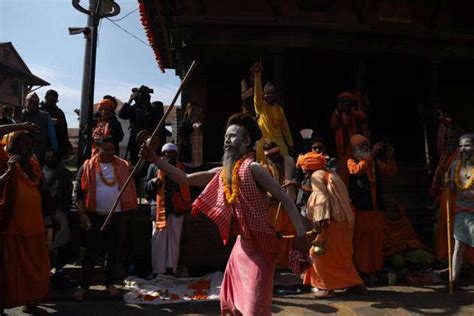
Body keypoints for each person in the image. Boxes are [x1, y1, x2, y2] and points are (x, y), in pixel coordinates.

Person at [140, 113, 306, 315]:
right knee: (233, 304)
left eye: (233, 136)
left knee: (255, 307)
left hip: (262, 246)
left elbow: (285, 199)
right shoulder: (223, 172)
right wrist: (155, 159)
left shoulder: (254, 168)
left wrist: (300, 235)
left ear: (246, 142)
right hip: (241, 247)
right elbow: (184, 178)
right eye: (226, 136)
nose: (227, 140)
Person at [73, 137, 138, 301]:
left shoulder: (123, 165)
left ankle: (110, 283)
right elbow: (77, 192)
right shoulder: (87, 166)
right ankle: (84, 286)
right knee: (91, 253)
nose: (110, 153)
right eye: (106, 149)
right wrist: (82, 213)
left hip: (116, 216)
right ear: (98, 149)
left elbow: (136, 175)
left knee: (114, 251)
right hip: (94, 216)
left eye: (112, 149)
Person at [297, 152, 366, 298]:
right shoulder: (331, 173)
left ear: (309, 167)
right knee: (342, 255)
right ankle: (355, 285)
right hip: (344, 220)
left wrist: (320, 221)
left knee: (319, 254)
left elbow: (321, 198)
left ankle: (327, 288)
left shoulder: (316, 176)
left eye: (304, 167)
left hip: (330, 222)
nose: (303, 170)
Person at [0, 130, 50, 315]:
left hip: (35, 225)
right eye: (22, 142)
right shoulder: (6, 158)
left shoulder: (33, 162)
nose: (26, 147)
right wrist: (20, 124)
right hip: (12, 226)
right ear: (13, 143)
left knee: (34, 267)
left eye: (29, 143)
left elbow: (42, 191)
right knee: (10, 269)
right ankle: (3, 304)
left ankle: (31, 301)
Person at [347, 134, 397, 282]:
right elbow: (356, 171)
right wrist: (371, 156)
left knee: (376, 241)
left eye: (366, 145)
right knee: (362, 241)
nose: (365, 148)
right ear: (355, 149)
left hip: (376, 209)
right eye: (361, 146)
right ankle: (362, 271)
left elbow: (390, 172)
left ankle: (375, 270)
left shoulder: (373, 161)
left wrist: (389, 157)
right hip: (362, 209)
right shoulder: (351, 160)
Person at [145, 143, 191, 276]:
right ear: (162, 154)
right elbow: (146, 187)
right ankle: (157, 270)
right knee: (158, 240)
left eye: (172, 153)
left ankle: (172, 269)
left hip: (177, 209)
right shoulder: (153, 166)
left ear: (176, 154)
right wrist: (153, 182)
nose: (169, 155)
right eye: (167, 153)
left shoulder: (182, 168)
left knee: (174, 240)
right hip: (159, 208)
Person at [430, 126, 474, 264]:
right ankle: (447, 260)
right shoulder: (445, 154)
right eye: (447, 138)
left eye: (453, 138)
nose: (450, 141)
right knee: (445, 229)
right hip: (446, 197)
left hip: (460, 200)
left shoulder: (462, 156)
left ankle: (467, 262)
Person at [261, 139, 297, 269]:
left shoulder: (289, 161)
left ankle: (290, 261)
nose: (274, 158)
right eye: (270, 156)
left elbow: (298, 178)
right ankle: (278, 263)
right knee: (277, 233)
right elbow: (266, 188)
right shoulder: (264, 167)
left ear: (279, 151)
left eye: (275, 155)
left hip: (291, 203)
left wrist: (292, 183)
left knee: (291, 232)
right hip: (275, 205)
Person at [251, 60, 294, 162]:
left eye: (272, 93)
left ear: (276, 95)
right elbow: (257, 95)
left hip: (279, 143)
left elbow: (285, 128)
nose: (269, 95)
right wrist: (257, 75)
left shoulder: (279, 109)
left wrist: (290, 143)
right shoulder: (261, 107)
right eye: (267, 93)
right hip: (264, 144)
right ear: (264, 95)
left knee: (285, 162)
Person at [42, 150, 74, 289]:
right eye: (47, 156)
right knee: (48, 245)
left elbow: (68, 190)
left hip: (59, 212)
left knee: (60, 244)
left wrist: (61, 208)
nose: (49, 159)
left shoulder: (63, 172)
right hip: (45, 214)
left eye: (52, 156)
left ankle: (58, 270)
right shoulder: (41, 171)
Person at [449, 133, 474, 289]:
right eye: (461, 146)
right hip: (461, 210)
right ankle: (454, 280)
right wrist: (448, 179)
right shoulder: (455, 164)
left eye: (467, 145)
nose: (464, 149)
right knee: (458, 245)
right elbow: (452, 188)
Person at [119, 86, 165, 164]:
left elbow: (153, 118)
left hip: (149, 143)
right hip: (135, 142)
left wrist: (146, 105)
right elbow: (122, 115)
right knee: (135, 164)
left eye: (146, 96)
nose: (143, 97)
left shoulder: (154, 108)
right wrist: (130, 101)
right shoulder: (135, 108)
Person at [330, 92, 368, 186]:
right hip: (343, 149)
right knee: (344, 175)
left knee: (361, 170)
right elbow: (333, 125)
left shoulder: (356, 112)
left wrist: (350, 112)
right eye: (343, 101)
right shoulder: (337, 114)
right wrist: (339, 112)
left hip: (357, 148)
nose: (345, 104)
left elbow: (363, 117)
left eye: (347, 101)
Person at [382, 200, 433, 269]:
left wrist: (407, 246)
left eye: (395, 211)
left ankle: (411, 263)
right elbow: (385, 244)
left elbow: (413, 238)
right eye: (390, 211)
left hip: (409, 250)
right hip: (394, 253)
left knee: (428, 258)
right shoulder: (383, 224)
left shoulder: (405, 222)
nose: (393, 214)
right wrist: (397, 249)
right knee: (399, 262)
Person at [21, 92, 58, 164]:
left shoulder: (45, 116)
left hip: (40, 151)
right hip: (22, 151)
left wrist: (53, 150)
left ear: (38, 104)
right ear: (26, 102)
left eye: (35, 103)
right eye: (30, 102)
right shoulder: (20, 114)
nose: (32, 105)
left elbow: (52, 136)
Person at [40, 89, 73, 159]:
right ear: (46, 98)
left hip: (57, 146)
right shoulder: (38, 110)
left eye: (54, 101)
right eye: (51, 100)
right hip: (42, 144)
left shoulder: (59, 112)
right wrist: (48, 121)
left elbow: (64, 130)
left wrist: (66, 144)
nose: (52, 103)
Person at [177, 102, 204, 168]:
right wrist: (191, 122)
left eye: (197, 110)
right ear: (187, 111)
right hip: (187, 162)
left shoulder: (202, 124)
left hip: (201, 162)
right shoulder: (183, 123)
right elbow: (182, 133)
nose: (195, 113)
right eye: (193, 110)